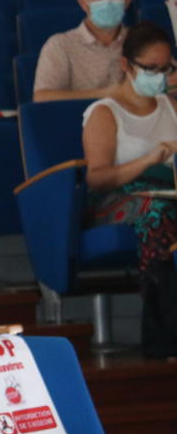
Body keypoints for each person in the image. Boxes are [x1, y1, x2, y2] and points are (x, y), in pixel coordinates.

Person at [81, 22, 177, 354]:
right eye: (151, 69)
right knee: (158, 215)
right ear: (126, 65)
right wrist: (148, 160)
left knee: (163, 210)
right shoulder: (105, 112)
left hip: (167, 193)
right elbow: (97, 178)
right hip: (117, 200)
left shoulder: (171, 107)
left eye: (166, 69)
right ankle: (163, 336)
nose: (159, 77)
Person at [34, 0, 134, 102]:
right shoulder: (60, 45)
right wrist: (105, 94)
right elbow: (42, 98)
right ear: (83, 2)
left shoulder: (142, 40)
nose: (107, 1)